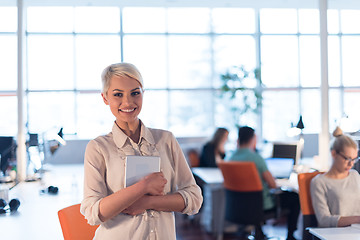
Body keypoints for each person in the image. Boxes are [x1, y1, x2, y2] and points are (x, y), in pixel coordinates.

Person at [80, 63, 203, 240]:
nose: (128, 102)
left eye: (135, 93)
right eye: (118, 95)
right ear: (105, 98)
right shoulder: (98, 148)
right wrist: (143, 186)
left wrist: (148, 202)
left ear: (143, 93)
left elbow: (194, 199)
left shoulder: (166, 140)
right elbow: (93, 212)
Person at [228, 126, 299, 240]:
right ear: (253, 139)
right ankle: (291, 237)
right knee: (295, 198)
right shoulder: (256, 158)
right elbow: (272, 184)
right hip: (259, 206)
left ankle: (259, 231)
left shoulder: (230, 158)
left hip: (238, 207)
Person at [310, 126, 360, 228]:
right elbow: (324, 220)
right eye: (347, 158)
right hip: (336, 233)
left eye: (354, 159)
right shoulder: (319, 182)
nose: (351, 164)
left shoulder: (354, 175)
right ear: (334, 154)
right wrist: (358, 219)